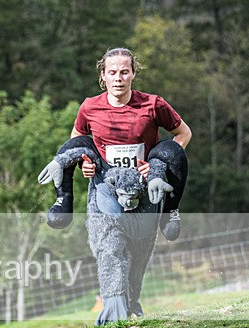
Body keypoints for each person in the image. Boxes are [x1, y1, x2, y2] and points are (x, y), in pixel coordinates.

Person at [39, 47, 192, 241]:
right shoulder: (89, 106)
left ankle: (171, 210)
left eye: (124, 72)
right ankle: (63, 201)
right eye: (112, 73)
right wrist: (85, 163)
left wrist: (156, 169)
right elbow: (76, 138)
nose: (118, 78)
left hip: (143, 183)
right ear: (103, 75)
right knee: (112, 244)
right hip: (107, 181)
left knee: (173, 151)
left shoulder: (153, 104)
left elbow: (184, 134)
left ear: (133, 74)